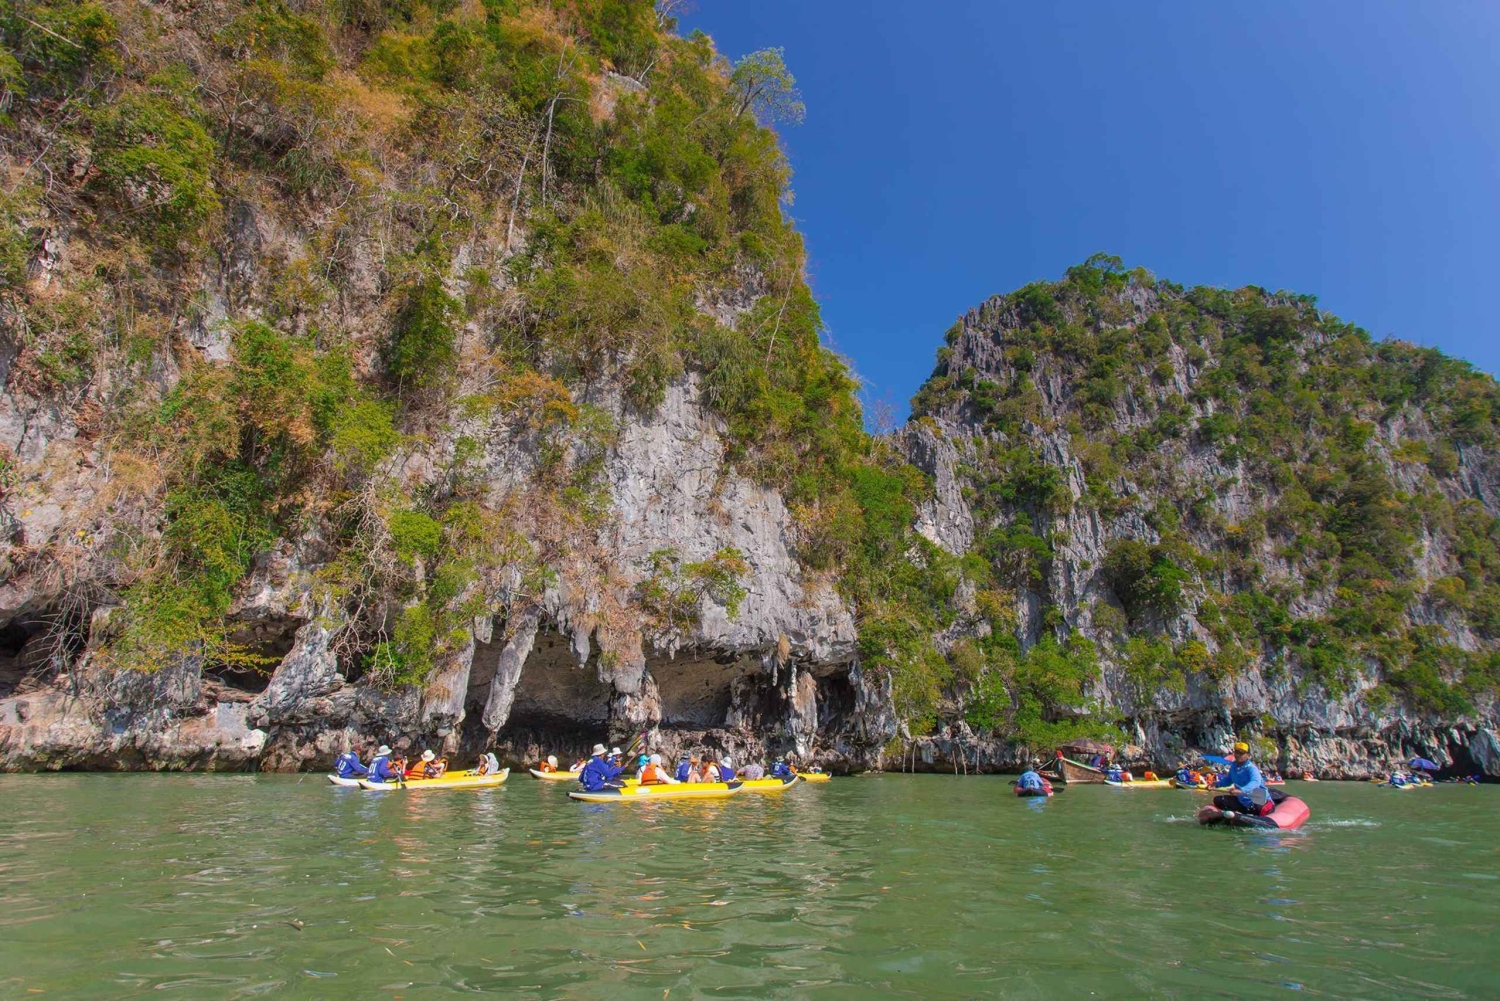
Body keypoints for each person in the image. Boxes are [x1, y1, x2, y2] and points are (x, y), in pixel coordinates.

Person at [1214, 741, 1284, 815]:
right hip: (1243, 802)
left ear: (1247, 755)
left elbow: (1255, 782)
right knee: (1218, 800)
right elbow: (1229, 779)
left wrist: (1241, 790)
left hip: (1259, 801)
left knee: (1257, 807)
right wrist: (1216, 784)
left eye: (1241, 753)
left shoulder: (1251, 768)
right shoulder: (1233, 767)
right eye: (1237, 752)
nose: (1238, 755)